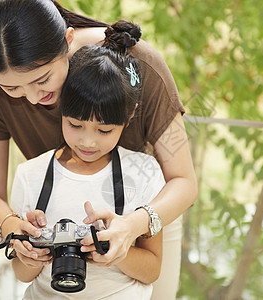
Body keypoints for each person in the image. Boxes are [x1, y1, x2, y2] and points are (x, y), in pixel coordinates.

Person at [0, 0, 197, 298]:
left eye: (43, 79)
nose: (33, 98)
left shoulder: (134, 66)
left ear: (68, 40)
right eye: (12, 89)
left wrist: (132, 226)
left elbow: (184, 181)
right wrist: (12, 227)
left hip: (146, 224)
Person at [10, 28, 163, 298]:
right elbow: (22, 276)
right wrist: (31, 254)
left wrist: (115, 249)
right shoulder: (29, 175)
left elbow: (152, 270)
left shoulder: (144, 173)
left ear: (130, 116)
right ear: (61, 108)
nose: (88, 142)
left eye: (104, 131)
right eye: (75, 124)